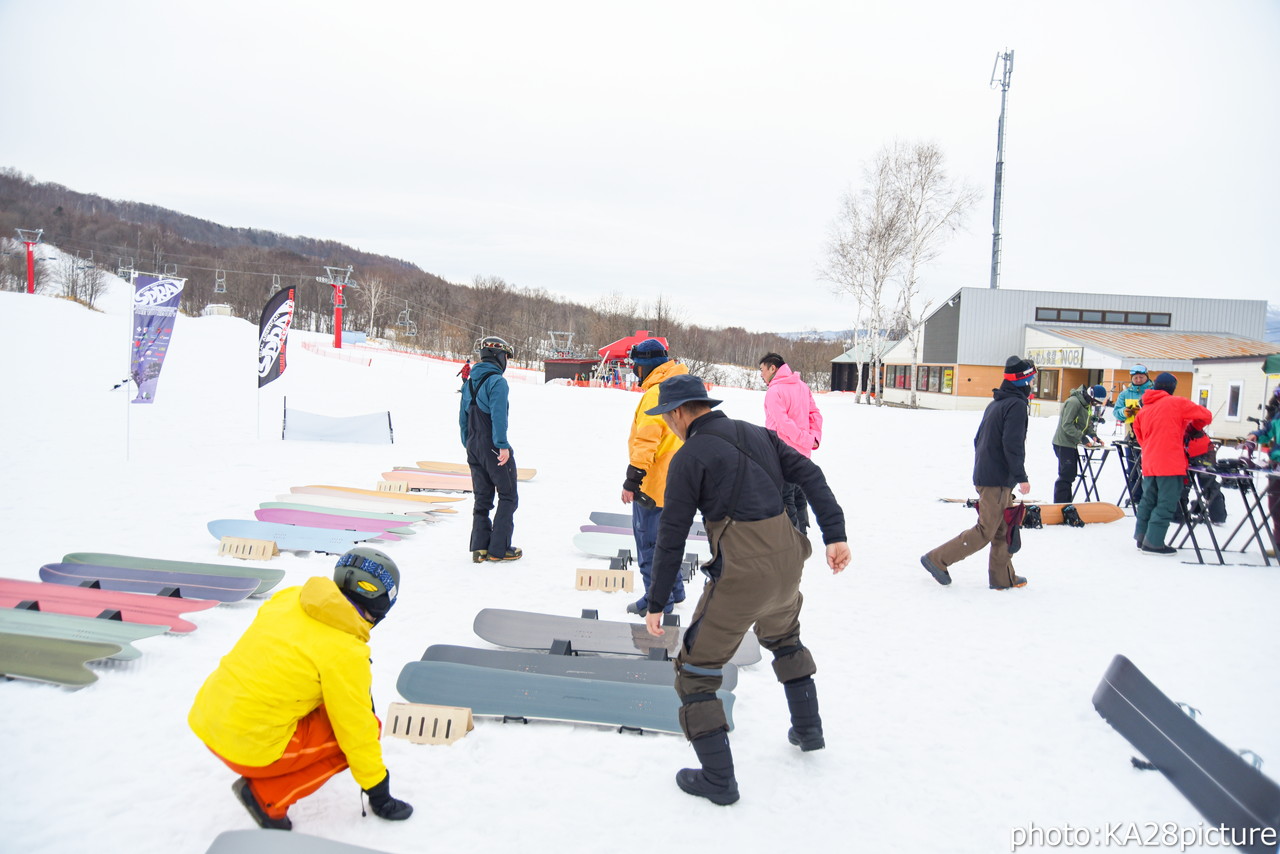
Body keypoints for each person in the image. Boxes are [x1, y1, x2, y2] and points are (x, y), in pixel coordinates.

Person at [639, 374, 851, 805]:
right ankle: (809, 731)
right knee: (785, 639)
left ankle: (718, 781)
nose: (670, 426)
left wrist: (657, 600)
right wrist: (835, 534)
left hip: (742, 571)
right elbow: (811, 475)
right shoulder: (759, 435)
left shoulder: (688, 457)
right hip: (788, 559)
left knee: (696, 673)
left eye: (668, 418)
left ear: (680, 413)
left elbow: (672, 535)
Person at [188, 547, 413, 831]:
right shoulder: (345, 650)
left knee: (328, 703)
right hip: (245, 745)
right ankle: (267, 797)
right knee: (361, 731)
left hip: (209, 715)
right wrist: (379, 794)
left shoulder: (292, 596)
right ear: (381, 607)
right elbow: (358, 732)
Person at [920, 356, 1035, 590]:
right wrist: (1020, 476)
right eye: (1032, 378)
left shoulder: (997, 403)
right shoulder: (1016, 405)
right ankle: (937, 559)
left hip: (990, 475)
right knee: (986, 531)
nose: (1033, 383)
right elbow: (1012, 444)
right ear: (1024, 381)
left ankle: (1003, 579)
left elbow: (978, 440)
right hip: (996, 479)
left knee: (1003, 529)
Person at [622, 337, 688, 615]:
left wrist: (633, 479)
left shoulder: (655, 394)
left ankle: (657, 600)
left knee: (649, 544)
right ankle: (675, 590)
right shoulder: (682, 388)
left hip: (654, 483)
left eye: (637, 366)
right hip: (680, 482)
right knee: (670, 541)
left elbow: (646, 442)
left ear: (647, 365)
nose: (635, 371)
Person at [1132, 372, 1213, 555]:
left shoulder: (1144, 410)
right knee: (1166, 502)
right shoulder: (1177, 403)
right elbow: (1206, 415)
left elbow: (1140, 437)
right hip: (1170, 462)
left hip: (1150, 461)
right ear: (1172, 387)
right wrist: (1191, 428)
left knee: (1148, 500)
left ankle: (1142, 537)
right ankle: (1153, 543)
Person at [460, 336, 520, 562]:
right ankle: (498, 549)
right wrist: (501, 446)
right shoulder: (497, 382)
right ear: (498, 356)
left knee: (482, 497)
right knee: (508, 496)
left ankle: (479, 548)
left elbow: (462, 419)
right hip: (492, 446)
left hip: (473, 446)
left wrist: (468, 444)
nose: (506, 360)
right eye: (506, 356)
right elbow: (498, 417)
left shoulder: (469, 382)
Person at [759, 352, 824, 534]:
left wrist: (806, 439)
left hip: (783, 454)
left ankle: (794, 537)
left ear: (773, 368)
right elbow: (815, 415)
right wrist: (813, 439)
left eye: (762, 370)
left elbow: (783, 423)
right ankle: (801, 531)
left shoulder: (774, 391)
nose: (761, 375)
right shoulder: (803, 387)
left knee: (786, 495)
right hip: (803, 453)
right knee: (799, 494)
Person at [1051, 384, 1107, 503]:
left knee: (1070, 475)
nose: (1095, 405)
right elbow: (1067, 425)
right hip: (1063, 443)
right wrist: (1082, 438)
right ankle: (1060, 504)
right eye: (1095, 402)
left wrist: (1093, 435)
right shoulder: (1074, 402)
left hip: (1071, 443)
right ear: (1090, 396)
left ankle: (1066, 503)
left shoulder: (1085, 404)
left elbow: (1084, 424)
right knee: (1066, 475)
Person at [1113, 365, 1154, 505]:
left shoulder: (1154, 391)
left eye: (1141, 377)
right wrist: (1124, 412)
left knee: (1150, 468)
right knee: (1132, 468)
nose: (1138, 379)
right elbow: (1116, 411)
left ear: (1147, 377)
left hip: (1151, 436)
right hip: (1131, 435)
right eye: (1135, 377)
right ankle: (1136, 496)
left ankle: (1150, 496)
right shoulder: (1125, 394)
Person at [1247, 385, 1280, 556]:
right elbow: (1267, 432)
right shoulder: (1278, 415)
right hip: (1276, 465)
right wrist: (1256, 435)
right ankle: (1279, 545)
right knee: (1275, 505)